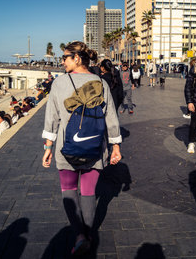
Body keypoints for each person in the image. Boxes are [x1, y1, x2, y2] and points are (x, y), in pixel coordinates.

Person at [42, 41, 122, 256]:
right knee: (89, 192)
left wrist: (48, 146)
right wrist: (115, 146)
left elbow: (52, 119)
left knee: (69, 190)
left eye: (65, 57)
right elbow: (111, 118)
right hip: (95, 147)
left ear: (77, 58)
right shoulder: (101, 83)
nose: (62, 61)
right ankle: (88, 235)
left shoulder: (59, 84)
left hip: (66, 149)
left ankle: (79, 235)